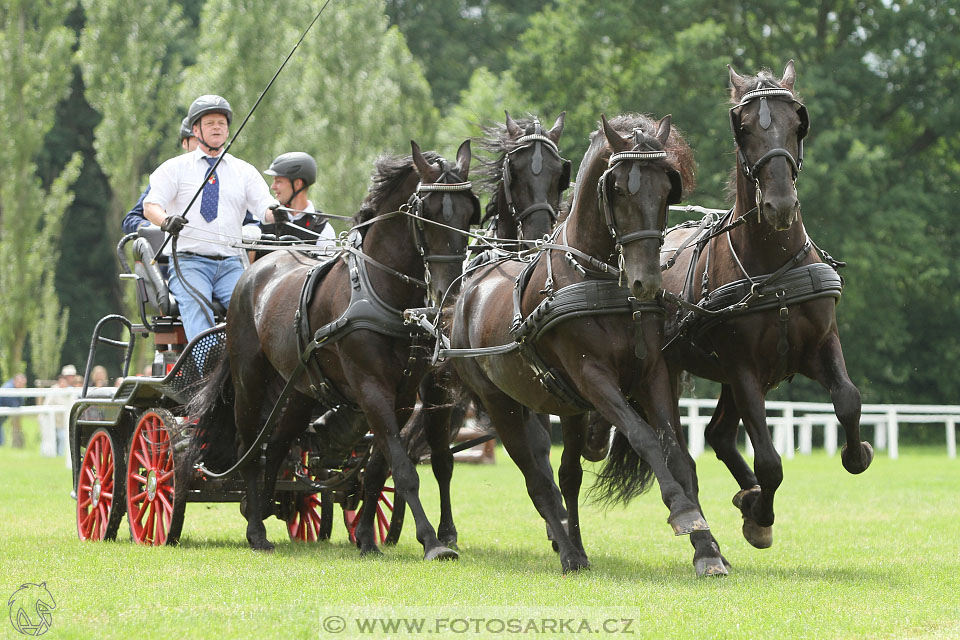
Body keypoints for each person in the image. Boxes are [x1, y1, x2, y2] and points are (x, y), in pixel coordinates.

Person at [142, 94, 280, 341]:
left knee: (255, 313)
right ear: (196, 130)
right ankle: (207, 371)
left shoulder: (244, 171)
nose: (217, 127)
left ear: (228, 130)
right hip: (189, 263)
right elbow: (150, 206)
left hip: (231, 264)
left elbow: (265, 209)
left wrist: (278, 212)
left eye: (222, 123)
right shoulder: (175, 168)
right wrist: (165, 221)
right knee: (198, 310)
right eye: (210, 123)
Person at [262, 152, 337, 252]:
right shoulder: (266, 218)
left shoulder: (323, 231)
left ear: (298, 184)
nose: (273, 187)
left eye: (278, 181)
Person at [40, 366, 77, 457]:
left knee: (62, 438)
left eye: (72, 375)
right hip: (53, 421)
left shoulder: (72, 390)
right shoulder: (54, 389)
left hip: (64, 422)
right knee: (49, 439)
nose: (70, 378)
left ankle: (60, 456)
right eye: (68, 376)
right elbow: (47, 405)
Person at [0, 373, 27, 448]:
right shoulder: (9, 388)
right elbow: (14, 404)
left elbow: (20, 402)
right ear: (16, 381)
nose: (22, 386)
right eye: (21, 384)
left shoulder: (14, 387)